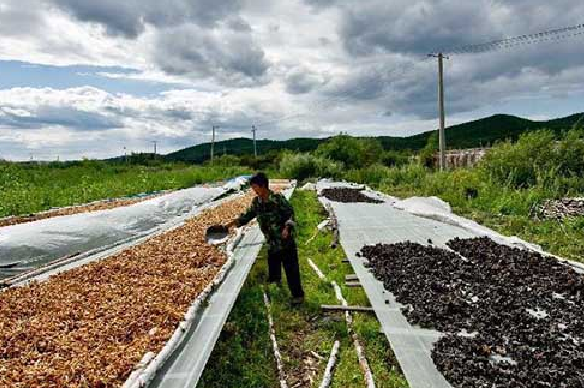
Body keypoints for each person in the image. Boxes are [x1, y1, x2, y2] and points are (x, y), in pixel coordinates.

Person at [227, 172, 305, 305]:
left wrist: (287, 228)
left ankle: (298, 296)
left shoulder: (278, 199)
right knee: (273, 268)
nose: (254, 191)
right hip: (271, 242)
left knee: (291, 270)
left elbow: (290, 215)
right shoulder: (257, 202)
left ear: (263, 186)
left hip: (285, 242)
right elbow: (248, 215)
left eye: (255, 187)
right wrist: (233, 223)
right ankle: (276, 287)